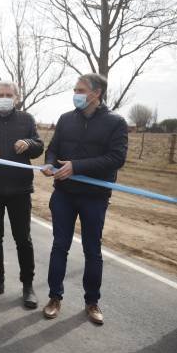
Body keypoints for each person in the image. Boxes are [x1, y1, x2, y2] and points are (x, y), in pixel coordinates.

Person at [41, 73, 128, 325]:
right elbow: (53, 149)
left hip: (94, 198)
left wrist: (77, 166)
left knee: (93, 250)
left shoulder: (116, 122)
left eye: (80, 89)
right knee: (60, 246)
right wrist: (49, 164)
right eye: (75, 89)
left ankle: (92, 302)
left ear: (96, 93)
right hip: (64, 195)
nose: (76, 94)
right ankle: (54, 297)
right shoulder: (66, 119)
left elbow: (116, 158)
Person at [0, 81, 44, 309]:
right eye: (1, 94)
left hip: (19, 190)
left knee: (23, 239)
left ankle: (28, 286)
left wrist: (29, 143)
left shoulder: (26, 119)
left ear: (16, 97)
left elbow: (40, 146)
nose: (4, 97)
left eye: (9, 94)